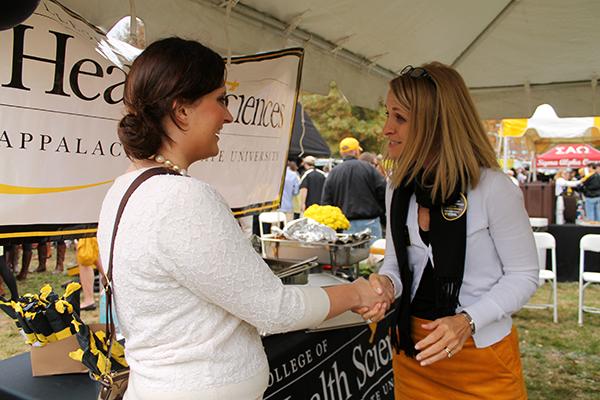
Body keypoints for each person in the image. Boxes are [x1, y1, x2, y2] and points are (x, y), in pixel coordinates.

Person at [96, 37, 385, 400]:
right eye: (220, 100)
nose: (228, 115)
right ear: (181, 110)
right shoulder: (181, 198)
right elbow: (275, 310)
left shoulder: (123, 190)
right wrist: (356, 291)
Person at [358, 62, 539, 399]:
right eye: (387, 114)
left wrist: (467, 321)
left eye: (399, 117)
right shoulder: (397, 187)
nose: (386, 129)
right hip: (414, 352)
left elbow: (524, 275)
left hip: (480, 356)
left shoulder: (493, 188)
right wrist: (385, 283)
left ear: (435, 123)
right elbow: (397, 266)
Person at [321, 137, 386, 240]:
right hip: (370, 223)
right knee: (374, 255)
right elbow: (383, 191)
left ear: (342, 153)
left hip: (345, 226)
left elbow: (326, 203)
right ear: (356, 151)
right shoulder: (369, 169)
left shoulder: (333, 173)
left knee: (348, 255)